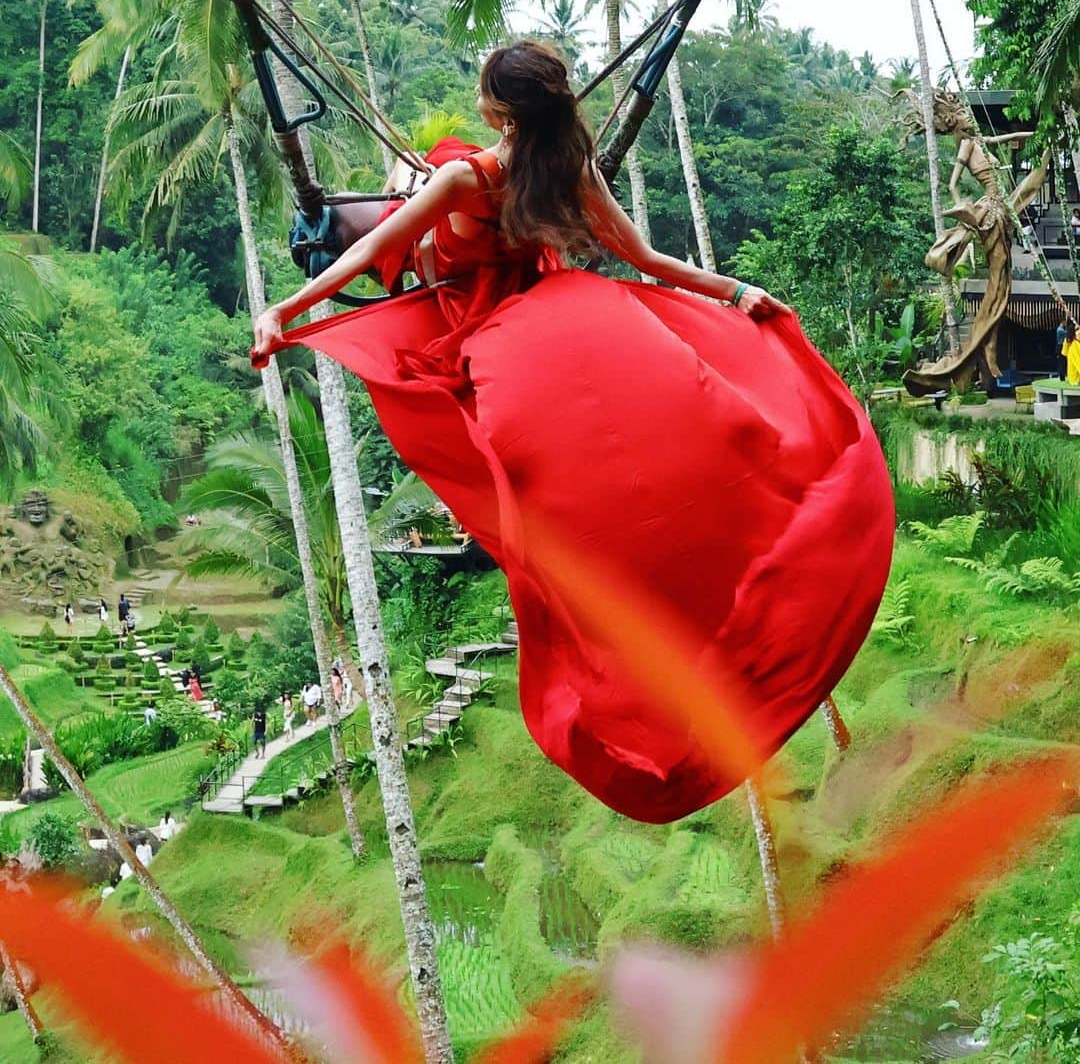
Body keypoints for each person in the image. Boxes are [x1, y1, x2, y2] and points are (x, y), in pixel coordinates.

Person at [252, 41, 894, 824]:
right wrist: (736, 289)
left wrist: (288, 309)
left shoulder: (469, 179)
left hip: (456, 303)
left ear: (499, 112)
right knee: (422, 176)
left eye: (484, 91)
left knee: (412, 186)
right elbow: (648, 260)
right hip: (533, 287)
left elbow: (373, 249)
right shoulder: (568, 175)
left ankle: (399, 179)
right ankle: (400, 178)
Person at [1065, 318, 1080, 387]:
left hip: (1070, 351)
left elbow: (1064, 351)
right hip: (1076, 348)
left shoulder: (1068, 337)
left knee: (1071, 367)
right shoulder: (1077, 333)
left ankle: (1073, 379)